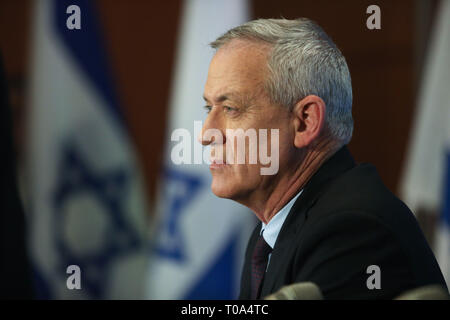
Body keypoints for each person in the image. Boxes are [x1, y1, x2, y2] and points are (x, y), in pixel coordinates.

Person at [199, 18, 447, 299]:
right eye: (209, 107)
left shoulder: (353, 230)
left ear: (305, 121)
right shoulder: (269, 235)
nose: (206, 134)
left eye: (230, 108)